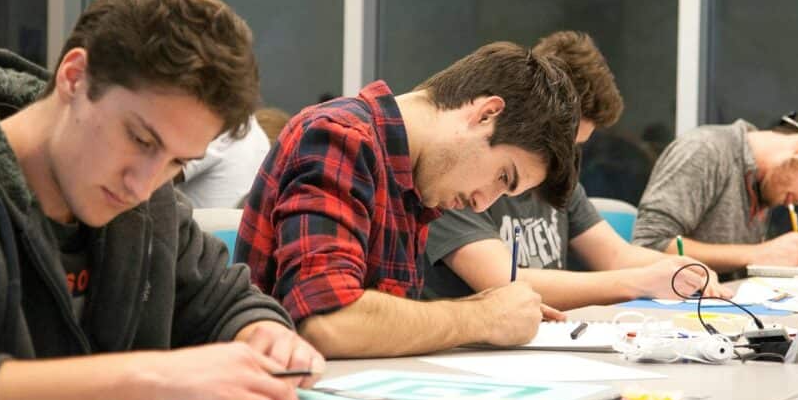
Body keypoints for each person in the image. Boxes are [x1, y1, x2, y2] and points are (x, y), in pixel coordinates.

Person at [0, 0, 321, 400]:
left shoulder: (150, 207)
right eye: (141, 140)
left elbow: (227, 301)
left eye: (177, 162)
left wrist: (265, 334)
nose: (144, 185)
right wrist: (149, 380)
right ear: (74, 77)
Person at [236, 42, 580, 358]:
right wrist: (483, 317)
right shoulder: (340, 137)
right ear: (486, 114)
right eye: (503, 176)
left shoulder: (418, 180)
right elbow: (328, 323)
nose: (482, 203)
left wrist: (491, 307)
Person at [422, 31, 728, 309]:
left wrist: (684, 270)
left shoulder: (557, 183)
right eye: (560, 144)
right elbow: (503, 280)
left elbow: (615, 256)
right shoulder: (460, 182)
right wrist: (640, 281)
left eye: (574, 148)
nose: (562, 161)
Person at [632, 109, 798, 275]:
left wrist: (790, 258)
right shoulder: (706, 151)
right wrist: (759, 253)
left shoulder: (768, 185)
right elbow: (648, 245)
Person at [175, 114, 270, 208]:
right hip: (228, 220)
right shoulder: (260, 137)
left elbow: (164, 174)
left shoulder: (226, 132)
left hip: (203, 221)